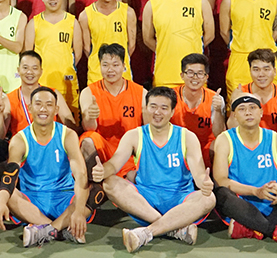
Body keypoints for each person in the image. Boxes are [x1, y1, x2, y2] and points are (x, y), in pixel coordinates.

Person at [92, 86, 216, 253]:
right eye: (153, 106)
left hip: (179, 200)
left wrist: (204, 183)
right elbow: (114, 165)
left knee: (209, 198)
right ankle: (174, 228)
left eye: (164, 108)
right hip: (145, 202)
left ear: (172, 112)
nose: (157, 112)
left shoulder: (187, 136)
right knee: (110, 183)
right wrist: (102, 171)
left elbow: (199, 174)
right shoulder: (134, 135)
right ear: (146, 108)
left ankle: (146, 233)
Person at [213, 94, 277, 244]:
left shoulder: (275, 138)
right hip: (243, 204)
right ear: (234, 115)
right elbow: (221, 180)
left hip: (274, 203)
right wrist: (256, 191)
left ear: (261, 112)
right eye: (242, 109)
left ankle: (253, 229)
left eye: (252, 108)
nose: (248, 112)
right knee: (221, 195)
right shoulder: (225, 139)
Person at [0, 87, 90, 246]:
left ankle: (47, 230)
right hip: (32, 200)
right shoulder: (20, 139)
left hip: (65, 198)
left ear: (56, 109)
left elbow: (80, 175)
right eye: (38, 104)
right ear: (30, 108)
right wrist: (1, 203)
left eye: (49, 104)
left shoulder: (68, 135)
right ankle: (60, 230)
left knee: (93, 192)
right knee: (7, 194)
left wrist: (79, 211)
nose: (43, 109)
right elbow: (10, 176)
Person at [144, 0, 214, 87]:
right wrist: (166, 48)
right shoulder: (152, 4)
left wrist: (193, 46)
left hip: (194, 77)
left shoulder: (200, 0)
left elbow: (210, 34)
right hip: (164, 75)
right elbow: (147, 39)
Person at [219, 0, 277, 96]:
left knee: (269, 105)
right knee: (238, 106)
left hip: (267, 62)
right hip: (239, 61)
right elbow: (224, 32)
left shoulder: (276, 1)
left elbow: (275, 33)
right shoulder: (229, 0)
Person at [79, 44, 145, 178]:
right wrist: (90, 116)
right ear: (100, 66)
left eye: (115, 65)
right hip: (103, 150)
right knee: (87, 139)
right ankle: (94, 183)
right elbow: (89, 128)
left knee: (135, 180)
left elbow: (148, 130)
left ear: (124, 66)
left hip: (129, 153)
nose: (110, 70)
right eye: (105, 65)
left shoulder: (141, 93)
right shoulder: (89, 92)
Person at [25, 0, 82, 117]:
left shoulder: (72, 21)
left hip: (67, 83)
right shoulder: (34, 23)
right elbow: (28, 54)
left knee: (70, 123)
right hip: (42, 84)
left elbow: (78, 53)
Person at [228, 49, 277, 159]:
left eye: (266, 69)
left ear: (274, 71)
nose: (261, 74)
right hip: (248, 144)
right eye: (256, 69)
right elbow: (232, 129)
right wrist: (236, 103)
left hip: (276, 144)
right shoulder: (240, 92)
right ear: (250, 71)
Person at [0, 50, 76, 141]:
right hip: (21, 146)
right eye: (25, 68)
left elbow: (70, 124)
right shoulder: (9, 99)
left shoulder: (53, 94)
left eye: (34, 68)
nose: (29, 72)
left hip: (50, 144)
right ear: (18, 70)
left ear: (41, 71)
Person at [80, 0, 135, 85]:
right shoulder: (85, 15)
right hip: (96, 74)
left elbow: (131, 46)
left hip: (122, 74)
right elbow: (86, 48)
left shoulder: (128, 12)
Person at [170, 54, 225, 167]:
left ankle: (216, 177)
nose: (195, 77)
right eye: (190, 73)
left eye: (200, 73)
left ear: (206, 77)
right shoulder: (170, 96)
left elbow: (219, 133)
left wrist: (218, 110)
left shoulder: (215, 99)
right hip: (176, 144)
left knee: (220, 145)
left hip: (205, 146)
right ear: (182, 75)